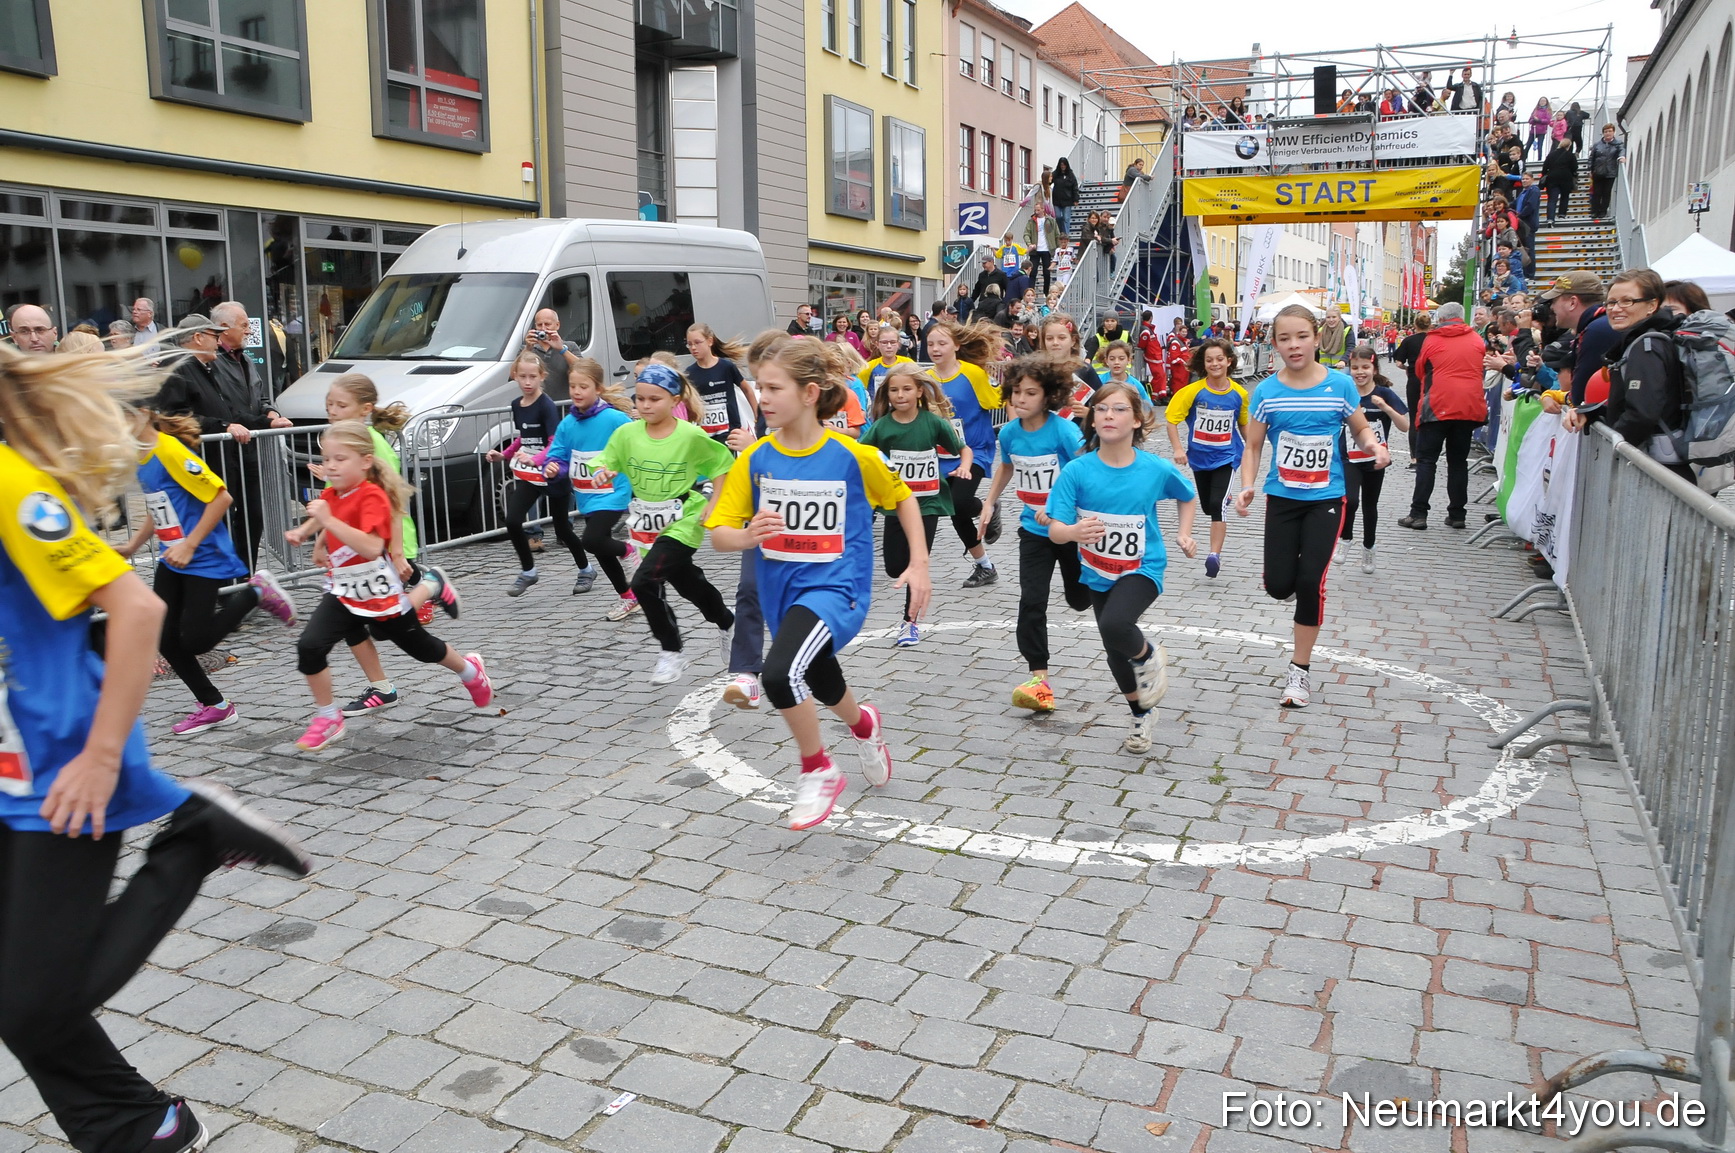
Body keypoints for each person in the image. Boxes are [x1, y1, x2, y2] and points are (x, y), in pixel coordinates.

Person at [0, 339, 314, 1153]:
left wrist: (102, 758)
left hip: (65, 763)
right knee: (15, 987)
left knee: (33, 1003)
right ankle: (135, 1126)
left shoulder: (11, 486)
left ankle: (195, 839)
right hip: (10, 766)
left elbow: (136, 612)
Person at [705, 338, 927, 832]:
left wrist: (920, 564)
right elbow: (719, 533)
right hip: (782, 593)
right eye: (759, 387)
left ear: (809, 393)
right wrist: (746, 534)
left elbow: (903, 497)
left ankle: (819, 769)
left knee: (780, 674)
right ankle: (864, 725)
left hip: (837, 590)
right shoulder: (756, 460)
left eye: (773, 387)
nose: (762, 397)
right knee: (821, 676)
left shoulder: (851, 455)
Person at [285, 422, 487, 750]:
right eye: (327, 459)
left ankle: (469, 670)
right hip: (343, 591)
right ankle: (327, 716)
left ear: (365, 461)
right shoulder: (332, 493)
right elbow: (325, 516)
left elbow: (368, 546)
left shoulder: (373, 496)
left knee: (419, 647)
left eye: (340, 459)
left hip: (378, 590)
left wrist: (326, 521)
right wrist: (310, 536)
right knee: (310, 645)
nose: (331, 466)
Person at [1234, 305, 1388, 708]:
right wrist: (1247, 485)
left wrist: (1373, 445)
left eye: (1301, 336)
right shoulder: (1265, 391)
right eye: (1284, 338)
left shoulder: (1339, 386)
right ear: (1274, 345)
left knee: (1310, 583)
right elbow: (1252, 446)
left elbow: (1359, 427)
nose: (1294, 345)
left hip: (1326, 498)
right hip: (1282, 498)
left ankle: (1298, 674)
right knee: (1278, 585)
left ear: (1317, 338)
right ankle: (1289, 585)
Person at [118, 406, 298, 735]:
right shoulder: (142, 456)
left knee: (196, 640)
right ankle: (215, 705)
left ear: (142, 412)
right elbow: (160, 506)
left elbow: (221, 497)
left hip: (202, 553)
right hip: (173, 556)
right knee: (165, 637)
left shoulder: (169, 449)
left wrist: (189, 544)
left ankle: (256, 591)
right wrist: (132, 545)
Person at [1046, 381, 1198, 753]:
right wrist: (1073, 531)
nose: (1108, 415)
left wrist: (1184, 534)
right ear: (1092, 420)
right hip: (1097, 569)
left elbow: (1187, 495)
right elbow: (1054, 530)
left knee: (1116, 625)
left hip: (1142, 567)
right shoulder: (1077, 472)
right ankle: (1141, 713)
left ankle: (1148, 655)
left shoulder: (1154, 468)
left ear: (1137, 421)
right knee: (1114, 648)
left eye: (1118, 409)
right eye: (1101, 409)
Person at [317, 374, 460, 716]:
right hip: (352, 551)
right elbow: (336, 500)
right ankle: (381, 687)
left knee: (391, 627)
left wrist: (396, 551)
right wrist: (323, 540)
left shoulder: (371, 444)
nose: (333, 412)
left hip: (381, 544)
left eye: (341, 406)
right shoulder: (340, 445)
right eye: (329, 405)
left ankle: (430, 584)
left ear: (364, 409)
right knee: (353, 618)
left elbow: (393, 498)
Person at [589, 364, 737, 685]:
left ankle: (671, 649)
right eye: (640, 398)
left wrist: (714, 502)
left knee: (643, 582)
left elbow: (722, 464)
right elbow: (606, 458)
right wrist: (603, 470)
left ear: (674, 400)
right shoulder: (626, 433)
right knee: (687, 582)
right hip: (645, 520)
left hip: (683, 520)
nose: (645, 405)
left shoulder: (690, 435)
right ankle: (726, 621)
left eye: (654, 399)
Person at [975, 354, 1090, 712]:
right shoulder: (1008, 433)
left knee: (1079, 599)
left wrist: (1059, 509)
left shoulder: (1064, 431)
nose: (1020, 399)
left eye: (1030, 393)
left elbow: (1087, 471)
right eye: (1016, 392)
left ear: (1049, 396)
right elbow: (1006, 468)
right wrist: (989, 503)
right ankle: (1039, 678)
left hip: (1069, 529)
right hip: (1032, 531)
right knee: (1032, 600)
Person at [860, 364, 966, 646]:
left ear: (920, 391)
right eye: (894, 390)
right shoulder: (882, 427)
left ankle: (910, 623)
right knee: (895, 567)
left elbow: (961, 448)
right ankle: (908, 605)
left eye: (907, 389)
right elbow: (862, 454)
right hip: (896, 505)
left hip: (928, 503)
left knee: (917, 563)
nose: (900, 395)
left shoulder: (933, 423)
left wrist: (965, 466)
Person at [544, 357, 641, 616]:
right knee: (600, 549)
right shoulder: (567, 424)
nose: (576, 391)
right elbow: (558, 455)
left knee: (592, 540)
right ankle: (628, 596)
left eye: (583, 386)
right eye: (572, 386)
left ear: (597, 388)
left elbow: (637, 443)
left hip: (613, 492)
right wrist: (553, 468)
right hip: (587, 496)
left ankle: (629, 550)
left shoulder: (614, 419)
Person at [208, 301, 292, 572]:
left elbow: (261, 395)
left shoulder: (245, 358)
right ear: (223, 329)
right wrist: (264, 423)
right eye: (244, 325)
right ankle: (226, 578)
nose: (248, 330)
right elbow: (227, 409)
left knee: (254, 514)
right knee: (224, 518)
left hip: (250, 448)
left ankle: (246, 574)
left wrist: (271, 414)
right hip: (224, 450)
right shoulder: (212, 362)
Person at [925, 319, 1005, 587]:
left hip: (976, 451)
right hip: (942, 456)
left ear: (957, 346)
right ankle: (986, 566)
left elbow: (996, 400)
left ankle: (987, 508)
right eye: (931, 344)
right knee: (955, 510)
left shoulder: (973, 374)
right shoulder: (926, 379)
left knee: (958, 503)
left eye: (942, 343)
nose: (935, 349)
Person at [1397, 303, 1487, 531]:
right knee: (1458, 462)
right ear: (1461, 317)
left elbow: (1419, 370)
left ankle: (1419, 514)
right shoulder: (1476, 339)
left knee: (1427, 461)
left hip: (1437, 405)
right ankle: (1457, 514)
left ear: (1442, 318)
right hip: (1468, 407)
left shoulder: (1433, 340)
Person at [1165, 337, 1249, 578]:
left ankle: (1214, 556)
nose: (1215, 364)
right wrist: (1179, 449)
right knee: (1206, 505)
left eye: (1220, 359)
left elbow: (1243, 424)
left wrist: (1253, 446)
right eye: (1209, 360)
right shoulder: (1192, 391)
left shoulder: (1240, 393)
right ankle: (1222, 499)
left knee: (1217, 506)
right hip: (1199, 458)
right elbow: (1171, 420)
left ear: (1229, 361)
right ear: (1204, 363)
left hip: (1228, 456)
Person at [484, 351, 566, 596]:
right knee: (512, 521)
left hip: (553, 471)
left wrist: (535, 459)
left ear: (542, 377)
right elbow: (524, 437)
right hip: (531, 475)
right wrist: (504, 454)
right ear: (515, 377)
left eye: (532, 376)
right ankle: (528, 571)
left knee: (563, 529)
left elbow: (554, 442)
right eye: (522, 376)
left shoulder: (547, 405)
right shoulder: (516, 405)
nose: (527, 382)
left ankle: (586, 568)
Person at [1602, 268, 1694, 482]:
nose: (1616, 309)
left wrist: (1614, 444)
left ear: (1652, 305)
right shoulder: (1644, 341)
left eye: (1627, 301)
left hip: (1659, 470)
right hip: (1660, 465)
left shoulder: (1647, 346)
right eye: (1611, 302)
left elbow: (1642, 412)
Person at [1338, 345, 1410, 572]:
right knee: (1350, 500)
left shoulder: (1384, 393)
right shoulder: (1345, 392)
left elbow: (1405, 426)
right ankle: (1345, 538)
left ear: (1374, 368)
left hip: (1374, 459)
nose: (1360, 372)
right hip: (1348, 456)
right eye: (1355, 367)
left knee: (1370, 505)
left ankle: (1369, 548)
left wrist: (1385, 407)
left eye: (1365, 367)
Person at [686, 322, 758, 444]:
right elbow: (688, 404)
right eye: (689, 344)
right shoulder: (689, 373)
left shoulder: (726, 367)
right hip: (705, 433)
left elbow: (747, 390)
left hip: (730, 431)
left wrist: (758, 416)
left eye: (697, 343)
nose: (693, 348)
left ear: (709, 341)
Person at [857, 324, 915, 408]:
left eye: (892, 342)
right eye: (884, 342)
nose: (889, 346)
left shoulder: (908, 364)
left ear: (898, 344)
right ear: (877, 344)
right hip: (878, 414)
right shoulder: (868, 367)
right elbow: (859, 390)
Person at [524, 307, 580, 386]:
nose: (543, 329)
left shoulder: (570, 346)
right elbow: (512, 375)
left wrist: (562, 349)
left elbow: (583, 370)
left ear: (557, 325)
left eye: (547, 324)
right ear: (535, 326)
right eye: (540, 325)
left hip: (563, 398)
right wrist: (528, 349)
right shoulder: (527, 349)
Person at [1589, 124, 1625, 219]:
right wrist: (1590, 169)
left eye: (1609, 131)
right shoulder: (1597, 144)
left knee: (1606, 192)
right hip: (1598, 171)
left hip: (1610, 172)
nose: (1607, 133)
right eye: (1605, 132)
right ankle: (1594, 211)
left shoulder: (1618, 143)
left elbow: (1622, 150)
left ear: (1613, 132)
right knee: (1597, 192)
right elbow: (1592, 157)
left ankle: (1603, 211)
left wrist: (1622, 157)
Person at [1051, 157, 1081, 238]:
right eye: (1061, 165)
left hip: (1067, 200)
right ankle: (1060, 232)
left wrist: (1076, 199)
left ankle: (1066, 234)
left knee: (1066, 218)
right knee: (1058, 216)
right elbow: (1049, 181)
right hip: (1056, 200)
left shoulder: (1071, 175)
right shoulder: (1055, 174)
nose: (1063, 166)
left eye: (1064, 165)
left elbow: (1075, 187)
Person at [1526, 98, 1553, 162]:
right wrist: (1533, 120)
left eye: (1544, 101)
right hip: (1534, 130)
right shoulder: (1535, 110)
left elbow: (1547, 121)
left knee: (1540, 146)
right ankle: (1524, 158)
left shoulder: (1548, 111)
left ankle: (1539, 159)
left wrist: (1539, 120)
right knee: (1528, 145)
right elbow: (1530, 120)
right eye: (1541, 101)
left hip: (1541, 131)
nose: (1542, 102)